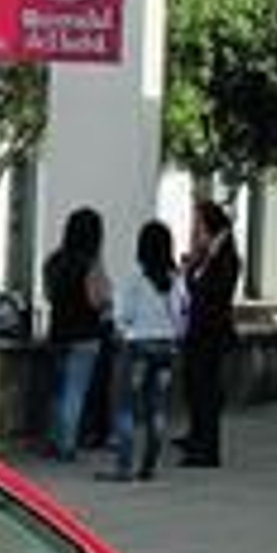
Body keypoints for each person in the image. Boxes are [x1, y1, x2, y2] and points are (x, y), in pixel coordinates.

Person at [99, 221, 184, 482]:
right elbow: (183, 313)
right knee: (156, 408)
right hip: (167, 349)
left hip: (137, 347)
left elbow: (123, 314)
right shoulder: (175, 279)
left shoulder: (134, 277)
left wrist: (121, 330)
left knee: (125, 408)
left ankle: (124, 467)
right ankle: (149, 466)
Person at [43, 207, 112, 462]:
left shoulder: (53, 261)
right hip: (85, 335)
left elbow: (49, 295)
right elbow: (99, 300)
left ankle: (52, 440)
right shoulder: (90, 264)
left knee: (57, 390)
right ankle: (66, 445)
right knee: (75, 392)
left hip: (58, 330)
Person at [176, 199, 241, 468]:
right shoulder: (206, 255)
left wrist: (196, 268)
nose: (194, 230)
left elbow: (211, 295)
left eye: (199, 224)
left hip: (210, 334)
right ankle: (196, 437)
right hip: (197, 333)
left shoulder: (225, 257)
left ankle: (207, 450)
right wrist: (193, 264)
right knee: (194, 388)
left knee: (206, 391)